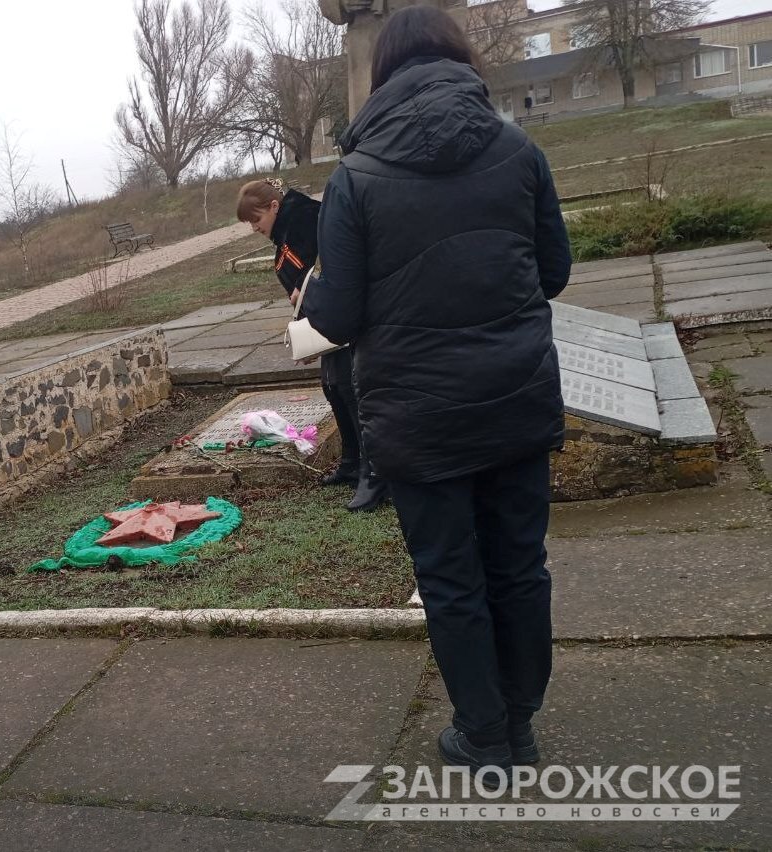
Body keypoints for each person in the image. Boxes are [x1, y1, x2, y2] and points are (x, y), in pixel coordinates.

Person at [302, 5, 571, 774]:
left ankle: (483, 736)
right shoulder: (520, 150)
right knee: (520, 565)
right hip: (515, 397)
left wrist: (317, 292)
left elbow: (340, 315)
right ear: (459, 59)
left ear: (383, 74)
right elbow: (552, 272)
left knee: (452, 579)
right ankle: (518, 724)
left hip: (419, 419)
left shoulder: (354, 179)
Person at [235, 179, 387, 512]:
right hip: (325, 318)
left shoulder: (307, 219)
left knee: (350, 389)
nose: (254, 228)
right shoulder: (289, 226)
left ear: (274, 207)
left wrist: (315, 299)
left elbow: (327, 267)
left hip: (342, 315)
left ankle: (373, 473)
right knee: (332, 386)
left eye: (256, 219)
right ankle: (350, 462)